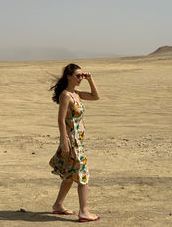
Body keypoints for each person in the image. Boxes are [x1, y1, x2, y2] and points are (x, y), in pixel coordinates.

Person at [49, 63, 100, 222]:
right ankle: (84, 212)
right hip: (72, 141)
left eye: (81, 76)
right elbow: (60, 119)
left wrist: (90, 80)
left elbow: (95, 96)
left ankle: (58, 205)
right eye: (78, 76)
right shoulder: (66, 95)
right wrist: (64, 140)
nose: (80, 78)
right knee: (83, 175)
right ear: (69, 77)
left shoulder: (76, 93)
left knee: (71, 174)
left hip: (78, 140)